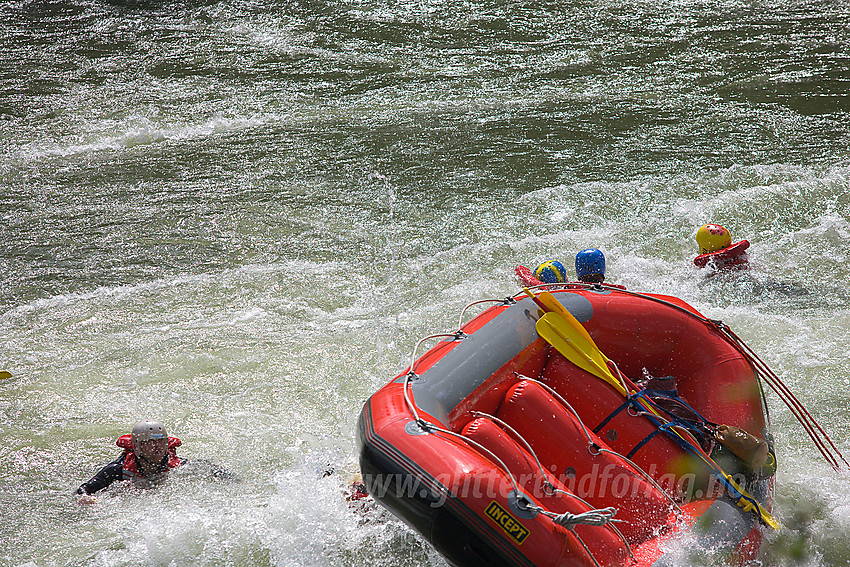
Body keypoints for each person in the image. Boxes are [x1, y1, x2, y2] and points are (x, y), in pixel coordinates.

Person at [76, 419, 186, 503]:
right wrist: (85, 498)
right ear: (137, 446)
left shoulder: (180, 465)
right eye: (150, 442)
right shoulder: (117, 469)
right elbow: (83, 489)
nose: (158, 446)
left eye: (161, 441)